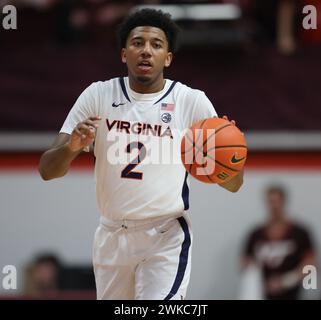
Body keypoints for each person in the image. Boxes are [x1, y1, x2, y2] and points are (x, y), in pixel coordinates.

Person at [39, 8, 244, 300]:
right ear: (124, 54)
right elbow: (48, 170)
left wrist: (228, 156)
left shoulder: (191, 101)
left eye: (156, 45)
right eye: (137, 43)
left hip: (164, 235)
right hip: (111, 235)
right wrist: (71, 148)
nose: (146, 51)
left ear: (168, 58)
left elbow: (234, 184)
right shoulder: (98, 96)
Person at [241, 184, 315, 299]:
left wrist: (285, 282)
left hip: (291, 295)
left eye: (277, 201)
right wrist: (255, 278)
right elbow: (245, 262)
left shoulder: (300, 233)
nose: (274, 206)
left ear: (284, 202)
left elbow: (310, 264)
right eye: (271, 201)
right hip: (262, 294)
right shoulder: (255, 234)